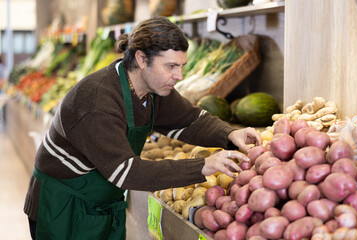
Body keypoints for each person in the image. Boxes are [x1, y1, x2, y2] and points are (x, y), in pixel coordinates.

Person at [24, 16, 262, 240]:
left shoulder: (152, 88)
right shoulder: (98, 101)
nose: (178, 75)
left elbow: (189, 120)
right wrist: (202, 166)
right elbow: (126, 172)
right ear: (141, 59)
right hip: (63, 205)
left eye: (181, 66)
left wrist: (229, 133)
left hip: (101, 201)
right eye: (170, 66)